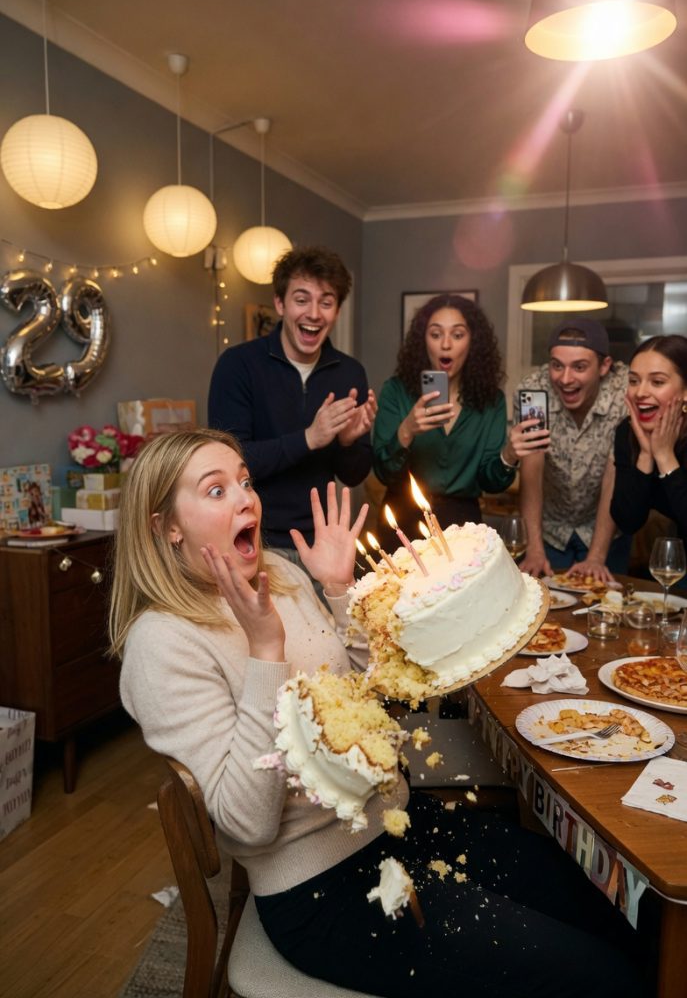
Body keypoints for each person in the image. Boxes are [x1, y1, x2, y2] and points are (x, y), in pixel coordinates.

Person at [110, 428, 651, 998]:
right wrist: (266, 651)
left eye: (245, 481)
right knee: (598, 976)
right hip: (323, 890)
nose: (247, 498)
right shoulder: (162, 644)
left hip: (400, 822)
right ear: (165, 526)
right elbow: (247, 824)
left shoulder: (281, 577)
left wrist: (339, 590)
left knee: (608, 907)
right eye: (216, 490)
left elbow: (369, 690)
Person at [207, 244, 376, 564]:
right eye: (301, 299)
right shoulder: (238, 365)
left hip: (325, 543)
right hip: (254, 539)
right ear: (280, 304)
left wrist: (347, 443)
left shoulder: (350, 372)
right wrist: (309, 438)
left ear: (337, 311)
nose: (314, 313)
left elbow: (354, 476)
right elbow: (228, 461)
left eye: (326, 302)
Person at [372, 293, 526, 551]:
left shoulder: (491, 401)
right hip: (403, 520)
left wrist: (509, 455)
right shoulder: (396, 392)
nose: (446, 344)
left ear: (472, 342)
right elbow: (383, 472)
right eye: (435, 334)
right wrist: (406, 431)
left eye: (457, 335)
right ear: (423, 342)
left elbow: (491, 482)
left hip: (463, 526)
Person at [516, 316, 630, 582]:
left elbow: (614, 474)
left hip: (607, 530)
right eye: (557, 365)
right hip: (549, 530)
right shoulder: (534, 390)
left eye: (579, 367)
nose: (565, 379)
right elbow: (532, 465)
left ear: (604, 366)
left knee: (606, 602)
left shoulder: (624, 393)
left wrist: (596, 557)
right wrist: (534, 549)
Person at [611, 335, 687, 569]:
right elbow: (627, 522)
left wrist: (665, 457)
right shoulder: (627, 432)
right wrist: (646, 454)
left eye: (657, 382)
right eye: (634, 381)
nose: (640, 392)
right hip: (667, 567)